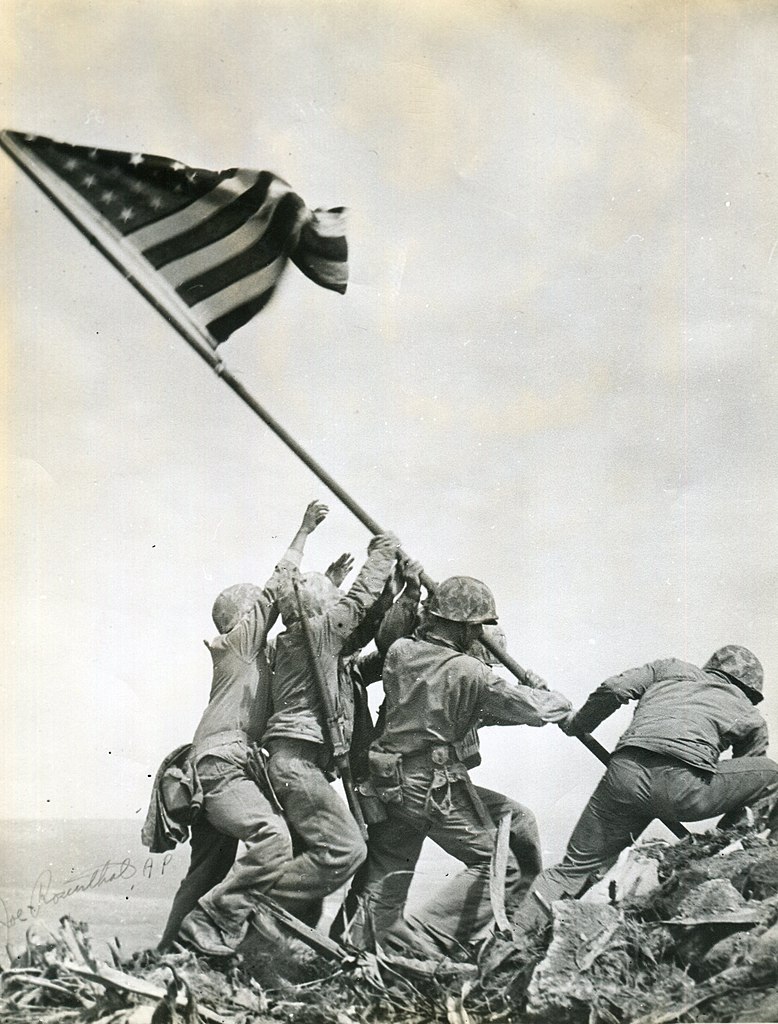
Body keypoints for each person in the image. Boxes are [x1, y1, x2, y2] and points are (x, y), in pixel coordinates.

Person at [355, 576, 572, 960]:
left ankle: (360, 947)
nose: (479, 633)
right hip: (431, 785)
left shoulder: (401, 652)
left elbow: (472, 709)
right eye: (476, 626)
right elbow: (538, 709)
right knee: (499, 865)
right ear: (462, 625)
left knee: (388, 872)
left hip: (389, 780)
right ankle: (427, 939)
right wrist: (548, 694)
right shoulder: (470, 672)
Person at [511, 644, 778, 937]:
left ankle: (513, 936)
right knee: (770, 772)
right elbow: (743, 791)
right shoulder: (750, 716)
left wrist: (577, 723)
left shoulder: (669, 668)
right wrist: (722, 840)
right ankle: (725, 846)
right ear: (750, 689)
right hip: (683, 790)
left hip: (623, 777)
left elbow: (614, 689)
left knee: (573, 869)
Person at [166, 501, 329, 956]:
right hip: (223, 766)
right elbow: (277, 590)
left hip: (214, 768)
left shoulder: (253, 659)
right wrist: (303, 531)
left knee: (207, 870)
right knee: (273, 837)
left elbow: (301, 615)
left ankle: (169, 953)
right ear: (243, 618)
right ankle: (213, 925)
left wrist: (329, 583)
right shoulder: (238, 645)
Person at [254, 529, 402, 927]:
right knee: (346, 850)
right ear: (322, 611)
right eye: (331, 605)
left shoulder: (302, 644)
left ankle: (275, 935)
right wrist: (382, 554)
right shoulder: (316, 635)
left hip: (298, 767)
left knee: (315, 858)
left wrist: (396, 590)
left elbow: (363, 629)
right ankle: (249, 906)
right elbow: (356, 606)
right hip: (297, 766)